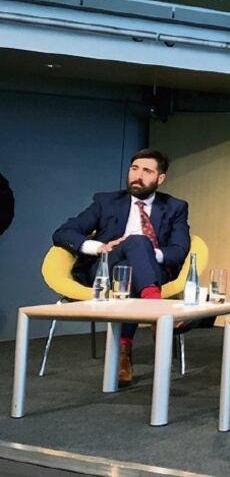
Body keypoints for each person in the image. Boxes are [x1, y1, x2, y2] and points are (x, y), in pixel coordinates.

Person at [53, 148, 190, 385]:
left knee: (136, 253)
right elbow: (63, 233)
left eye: (147, 171)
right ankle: (157, 309)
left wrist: (145, 253)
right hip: (106, 268)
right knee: (135, 243)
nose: (138, 175)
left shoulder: (175, 207)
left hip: (148, 270)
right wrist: (98, 248)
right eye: (134, 169)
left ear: (160, 178)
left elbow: (179, 250)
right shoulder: (105, 201)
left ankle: (124, 353)